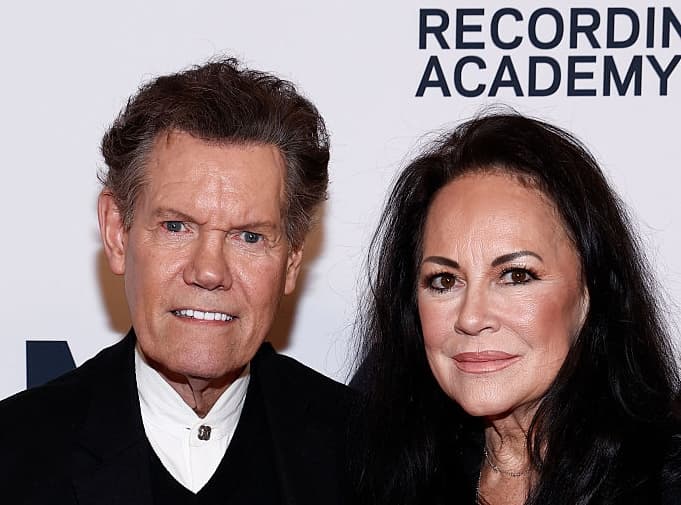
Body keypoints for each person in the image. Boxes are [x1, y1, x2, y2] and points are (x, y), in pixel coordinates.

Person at [0, 58, 353, 504]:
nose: (209, 271)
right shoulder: (14, 456)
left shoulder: (367, 456)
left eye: (249, 236)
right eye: (176, 227)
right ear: (117, 233)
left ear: (292, 259)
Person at [351, 112, 681, 504]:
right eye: (444, 281)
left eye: (516, 276)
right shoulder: (377, 464)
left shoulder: (665, 481)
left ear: (589, 292)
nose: (471, 318)